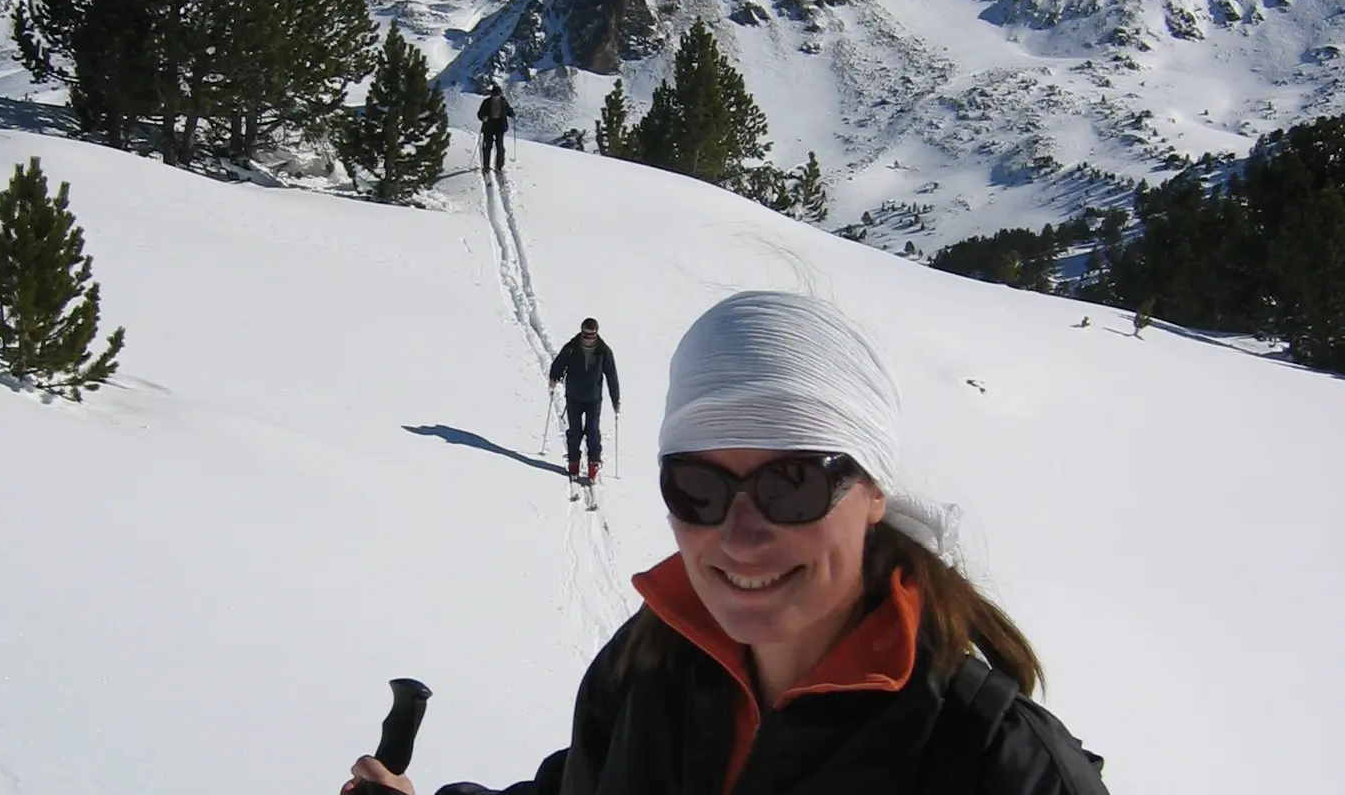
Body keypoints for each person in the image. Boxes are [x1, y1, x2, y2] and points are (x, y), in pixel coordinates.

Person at [343, 291, 1111, 795]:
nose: (741, 536)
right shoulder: (650, 664)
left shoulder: (1002, 770)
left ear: (874, 491)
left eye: (793, 482)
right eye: (699, 488)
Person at [547, 318, 620, 481]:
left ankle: (593, 462)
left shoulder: (603, 351)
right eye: (585, 335)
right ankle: (574, 461)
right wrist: (554, 377)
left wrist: (616, 400)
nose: (588, 338)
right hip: (574, 396)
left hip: (593, 398)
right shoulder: (572, 347)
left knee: (592, 430)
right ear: (581, 332)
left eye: (591, 335)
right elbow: (559, 363)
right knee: (575, 431)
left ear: (596, 334)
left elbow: (612, 376)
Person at [477, 86, 514, 173]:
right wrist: (482, 117)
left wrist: (512, 113)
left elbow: (508, 110)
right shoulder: (486, 102)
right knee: (487, 147)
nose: (496, 97)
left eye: (498, 95)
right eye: (495, 95)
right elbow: (480, 113)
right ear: (492, 95)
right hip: (489, 125)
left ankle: (499, 166)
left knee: (500, 147)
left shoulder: (504, 102)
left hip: (500, 126)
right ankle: (486, 166)